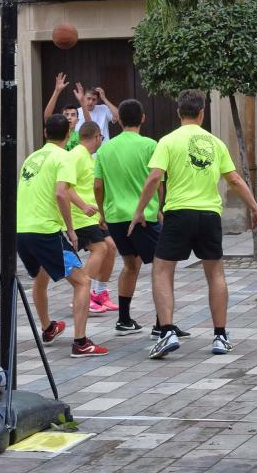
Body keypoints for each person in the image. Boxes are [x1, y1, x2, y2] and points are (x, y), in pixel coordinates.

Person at [129, 90, 257, 359]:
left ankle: (167, 331)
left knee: (162, 270)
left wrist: (140, 211)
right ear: (202, 112)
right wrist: (255, 209)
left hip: (179, 214)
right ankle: (220, 336)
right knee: (215, 273)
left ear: (179, 112)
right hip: (209, 215)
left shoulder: (167, 141)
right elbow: (235, 180)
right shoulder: (215, 143)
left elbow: (154, 177)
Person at [16, 113, 108, 358]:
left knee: (41, 277)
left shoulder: (31, 158)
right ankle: (80, 342)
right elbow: (60, 193)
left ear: (45, 133)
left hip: (22, 230)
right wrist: (70, 228)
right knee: (82, 282)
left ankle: (48, 328)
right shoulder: (64, 157)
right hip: (46, 231)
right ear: (69, 135)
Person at [94, 98, 180, 336]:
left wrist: (102, 212)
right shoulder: (150, 145)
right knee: (162, 267)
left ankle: (124, 319)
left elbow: (98, 185)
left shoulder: (105, 149)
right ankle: (162, 324)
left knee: (130, 264)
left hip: (115, 217)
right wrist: (159, 207)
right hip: (144, 218)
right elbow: (158, 182)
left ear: (119, 120)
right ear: (143, 118)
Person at [68, 121, 118, 315]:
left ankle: (99, 292)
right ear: (97, 136)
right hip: (80, 216)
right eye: (101, 138)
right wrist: (82, 206)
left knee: (111, 248)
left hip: (94, 215)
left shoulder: (90, 157)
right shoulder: (76, 156)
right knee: (101, 248)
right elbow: (65, 187)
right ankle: (83, 293)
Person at [43, 72, 89, 151]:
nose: (69, 117)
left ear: (77, 120)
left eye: (73, 115)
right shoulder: (56, 133)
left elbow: (89, 125)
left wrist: (82, 103)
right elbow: (47, 117)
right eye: (66, 114)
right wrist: (56, 91)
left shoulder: (80, 135)